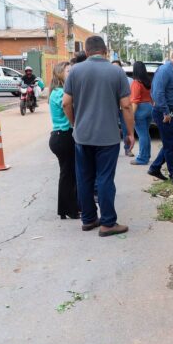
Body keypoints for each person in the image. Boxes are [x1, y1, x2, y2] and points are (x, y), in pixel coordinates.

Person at [62, 36, 134, 237]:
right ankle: (108, 223)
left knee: (84, 178)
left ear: (86, 51)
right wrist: (130, 132)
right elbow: (126, 105)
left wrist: (75, 123)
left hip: (82, 136)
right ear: (105, 51)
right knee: (104, 179)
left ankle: (88, 219)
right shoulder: (116, 72)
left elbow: (66, 103)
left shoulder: (75, 71)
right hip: (108, 137)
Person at [148, 47, 173, 186]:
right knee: (170, 144)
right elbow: (158, 93)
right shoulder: (165, 71)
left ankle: (155, 167)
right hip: (166, 113)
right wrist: (165, 112)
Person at [48, 61, 79, 220]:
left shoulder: (58, 91)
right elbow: (69, 105)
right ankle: (69, 209)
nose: (71, 73)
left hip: (61, 136)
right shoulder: (60, 93)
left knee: (69, 173)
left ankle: (68, 208)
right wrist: (74, 123)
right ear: (60, 74)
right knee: (68, 174)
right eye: (68, 71)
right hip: (64, 136)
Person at [129, 61, 154, 166]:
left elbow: (135, 101)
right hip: (149, 107)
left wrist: (131, 115)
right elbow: (152, 97)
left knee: (142, 135)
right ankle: (146, 156)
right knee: (145, 134)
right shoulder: (147, 82)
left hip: (140, 109)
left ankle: (142, 159)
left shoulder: (136, 83)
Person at [112, 59, 134, 157]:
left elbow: (132, 96)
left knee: (126, 129)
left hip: (124, 108)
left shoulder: (129, 80)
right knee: (111, 128)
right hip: (112, 108)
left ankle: (128, 149)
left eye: (117, 67)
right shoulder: (108, 79)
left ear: (121, 68)